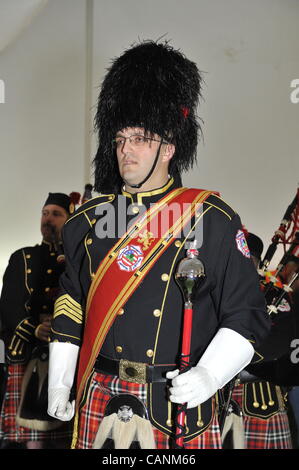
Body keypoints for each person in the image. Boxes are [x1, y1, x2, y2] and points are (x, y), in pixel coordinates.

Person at [47, 40, 270, 449]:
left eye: (140, 138)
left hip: (178, 401)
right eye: (120, 139)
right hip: (100, 391)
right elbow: (71, 306)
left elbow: (247, 314)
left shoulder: (211, 219)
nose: (125, 149)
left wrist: (210, 375)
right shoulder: (86, 224)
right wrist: (59, 384)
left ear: (168, 148)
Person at [0, 192, 79, 449]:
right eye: (45, 214)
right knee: (30, 441)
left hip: (68, 356)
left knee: (68, 438)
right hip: (27, 353)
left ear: (69, 220)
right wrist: (35, 329)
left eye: (56, 214)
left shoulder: (78, 260)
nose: (48, 219)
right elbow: (9, 305)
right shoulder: (22, 257)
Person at [222, 233, 293, 449]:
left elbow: (279, 341)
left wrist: (234, 358)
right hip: (212, 393)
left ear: (258, 262)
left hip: (256, 394)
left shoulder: (274, 295)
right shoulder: (215, 289)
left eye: (248, 260)